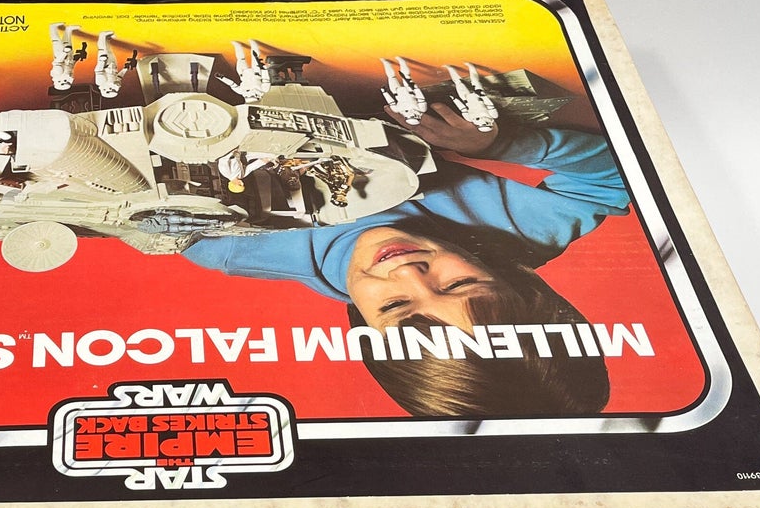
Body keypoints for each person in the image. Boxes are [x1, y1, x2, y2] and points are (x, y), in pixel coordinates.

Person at [183, 102, 632, 417]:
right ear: (519, 287)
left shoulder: (228, 246)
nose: (408, 273)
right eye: (458, 285)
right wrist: (501, 144)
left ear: (364, 328)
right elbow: (619, 176)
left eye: (396, 305)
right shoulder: (523, 234)